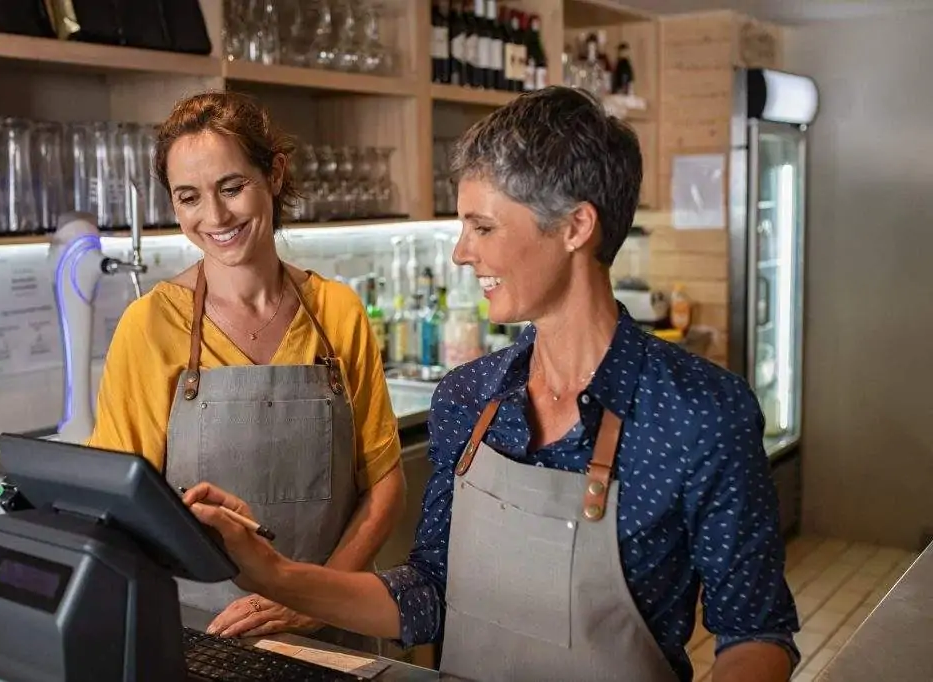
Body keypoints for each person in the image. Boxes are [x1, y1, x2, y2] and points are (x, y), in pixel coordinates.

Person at [180, 86, 801, 682]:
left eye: (482, 227)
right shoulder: (469, 399)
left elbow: (755, 635)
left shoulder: (700, 413)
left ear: (575, 227)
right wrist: (275, 573)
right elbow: (430, 593)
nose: (460, 252)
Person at [86, 91, 406, 650]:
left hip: (332, 638)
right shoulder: (149, 327)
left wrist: (309, 600)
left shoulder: (338, 312)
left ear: (275, 174)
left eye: (232, 188)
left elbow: (384, 487)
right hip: (199, 638)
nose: (215, 217)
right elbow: (116, 507)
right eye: (189, 198)